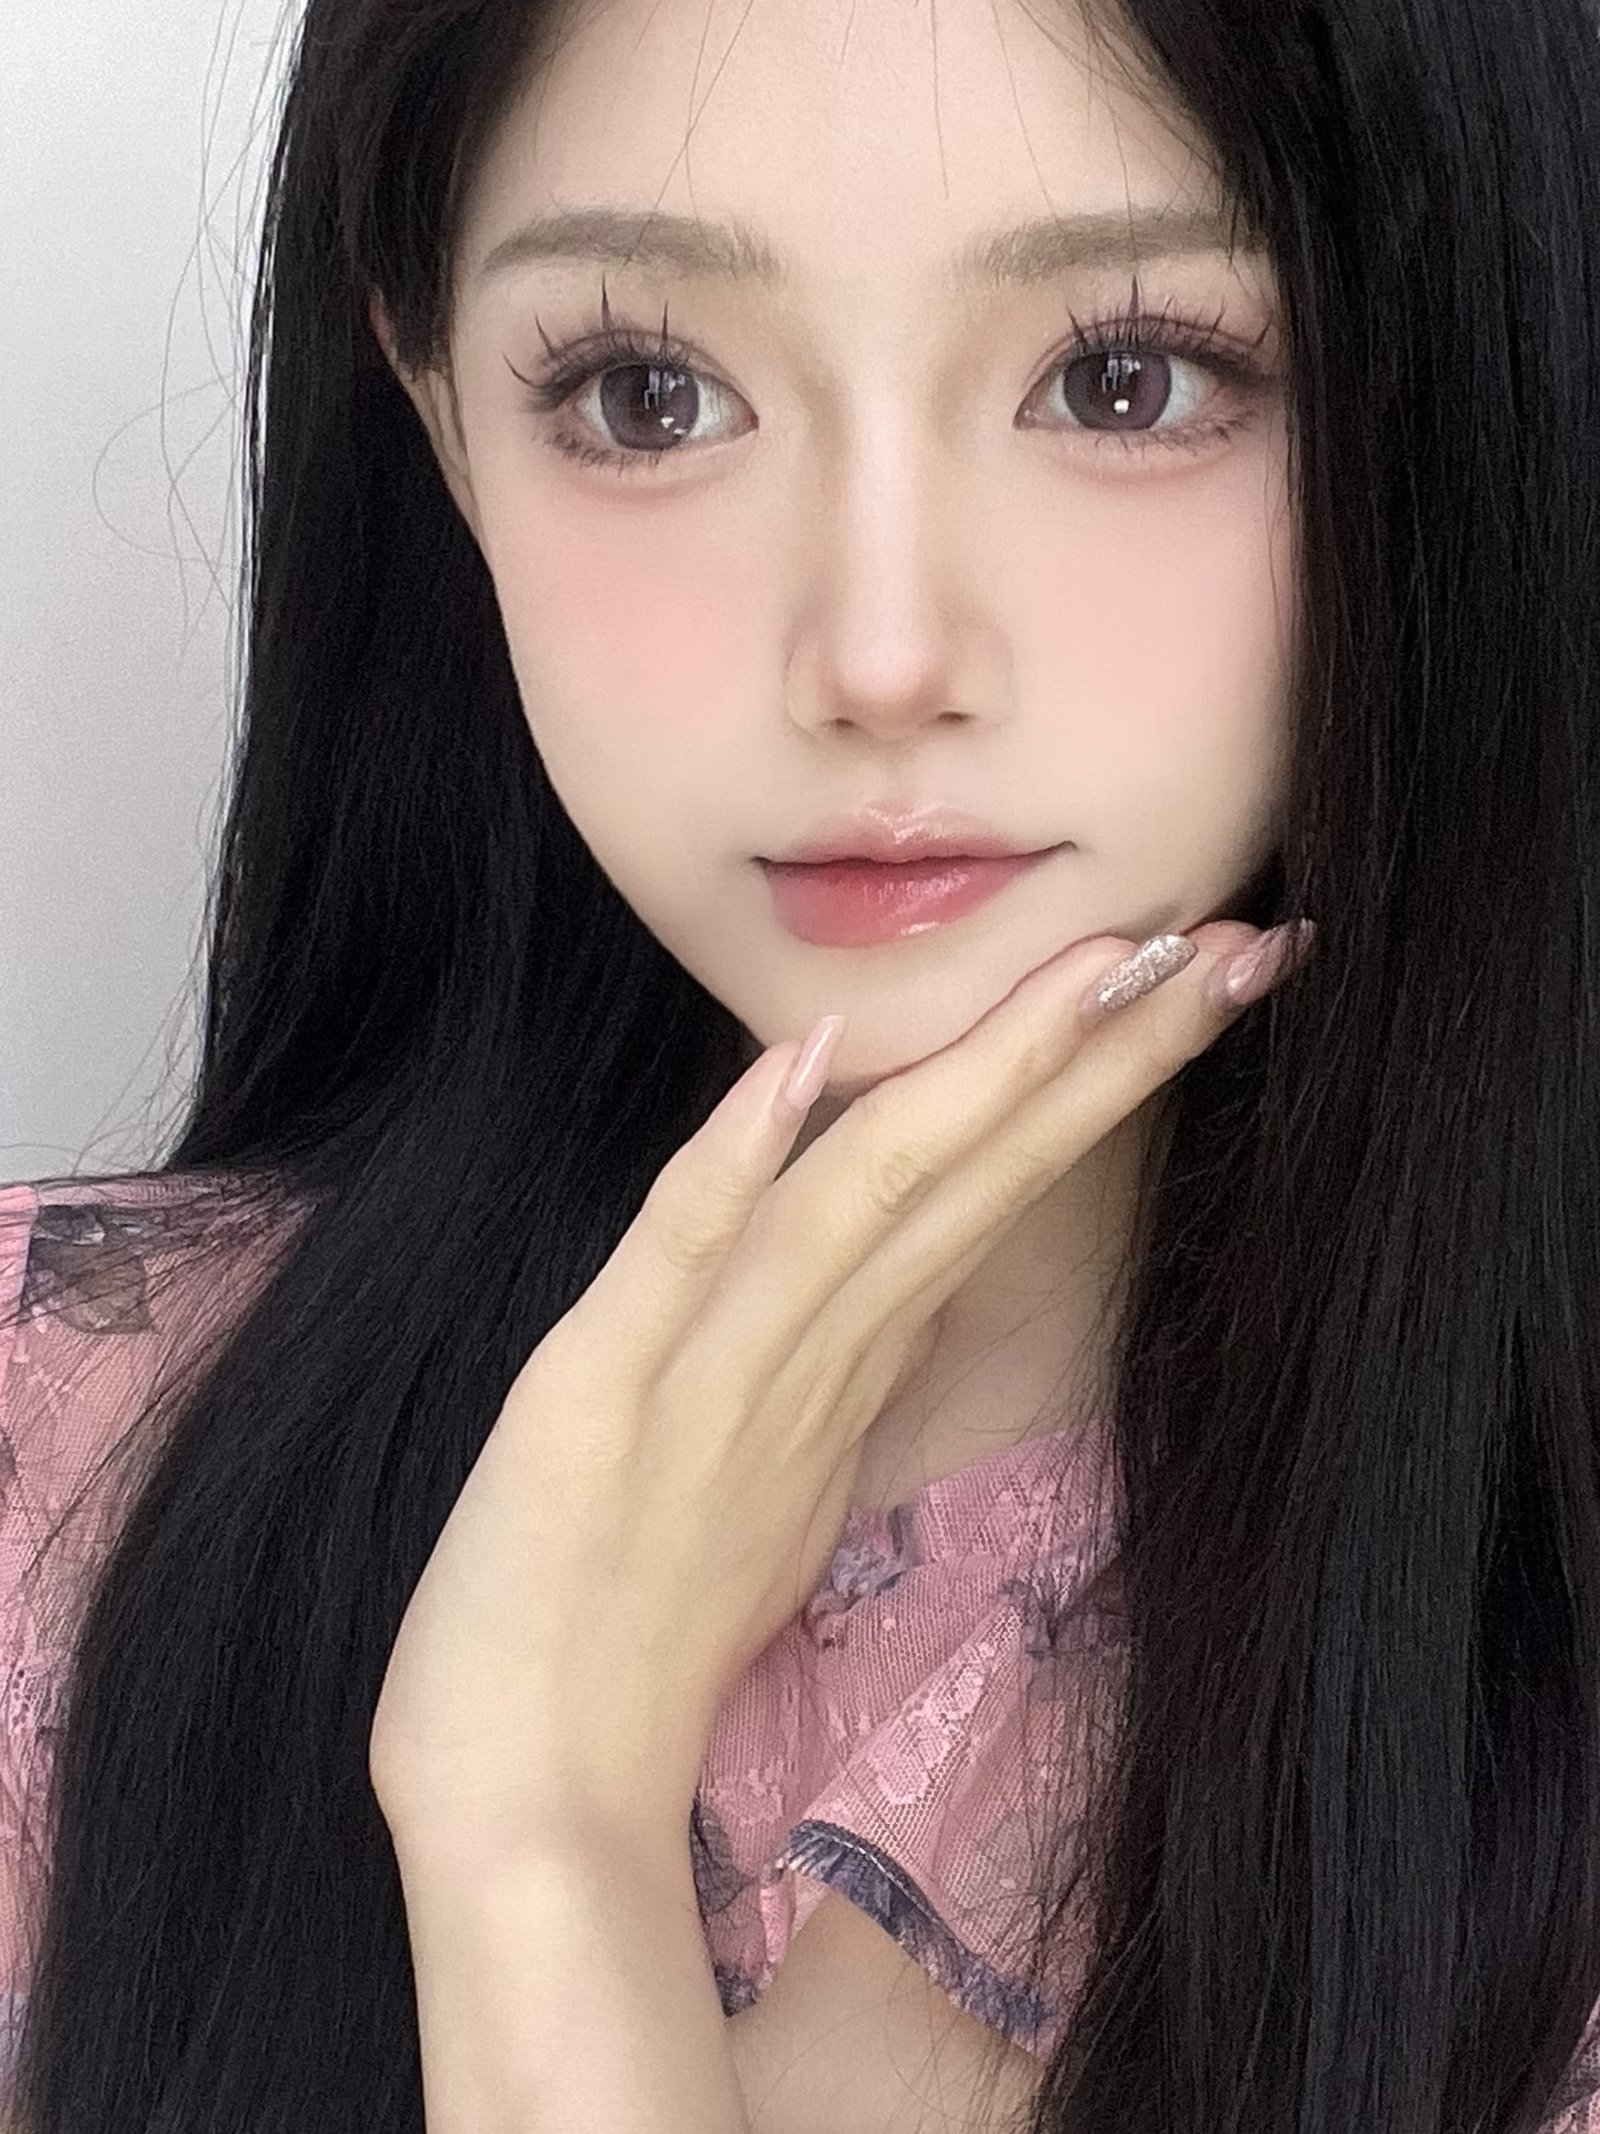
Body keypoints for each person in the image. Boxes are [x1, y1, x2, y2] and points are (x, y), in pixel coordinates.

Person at [2, 0, 1598, 2126]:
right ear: (444, 419)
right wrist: (519, 1811)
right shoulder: (55, 1467)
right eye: (647, 394)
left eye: (1124, 376)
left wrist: (546, 1852)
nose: (877, 654)